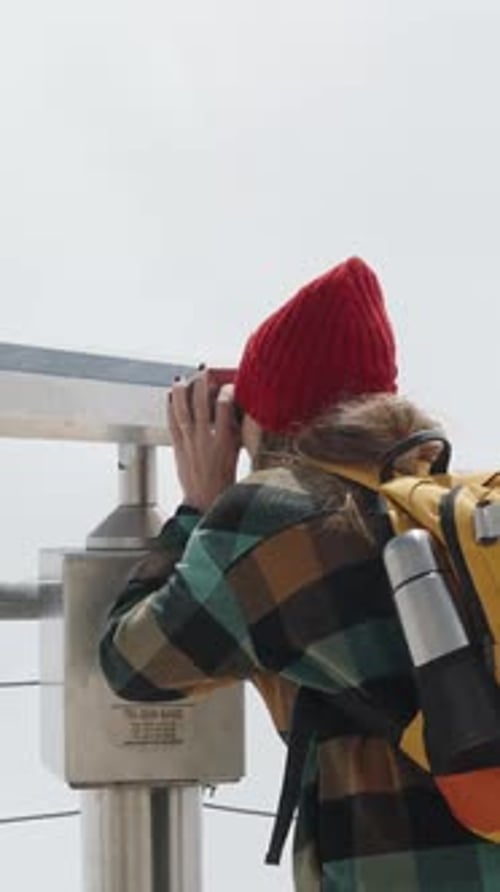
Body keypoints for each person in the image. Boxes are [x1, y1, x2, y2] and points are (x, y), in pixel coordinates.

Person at [99, 257, 500, 891]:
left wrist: (199, 509)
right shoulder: (449, 509)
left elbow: (135, 662)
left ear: (266, 416)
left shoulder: (272, 518)